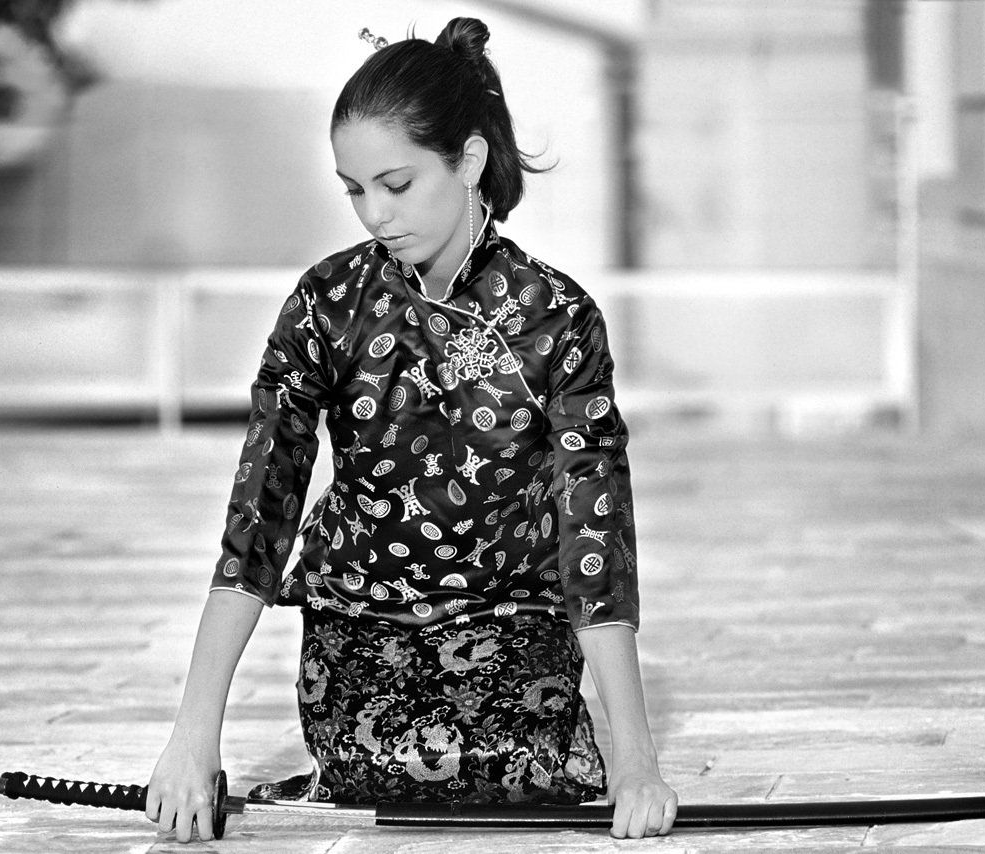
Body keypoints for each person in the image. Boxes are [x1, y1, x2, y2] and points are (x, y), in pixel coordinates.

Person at [145, 17, 677, 843]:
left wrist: (638, 761)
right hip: (360, 623)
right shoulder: (326, 305)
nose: (374, 215)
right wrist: (192, 736)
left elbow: (595, 533)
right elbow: (260, 511)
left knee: (529, 774)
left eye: (396, 184)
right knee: (374, 771)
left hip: (511, 620)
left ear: (467, 162)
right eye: (354, 190)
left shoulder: (559, 319)